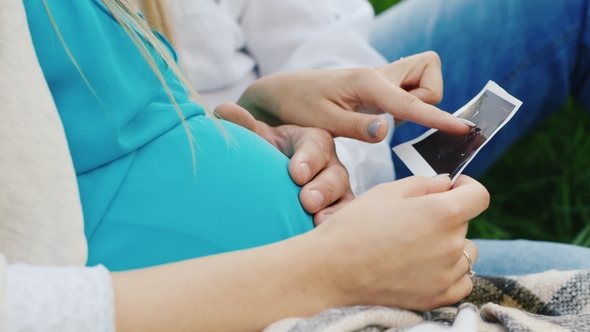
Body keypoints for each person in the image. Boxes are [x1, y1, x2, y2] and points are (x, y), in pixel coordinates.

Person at [5, 0, 483, 331]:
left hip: (339, 258)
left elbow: (134, 130)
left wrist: (251, 121)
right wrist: (330, 271)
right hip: (322, 282)